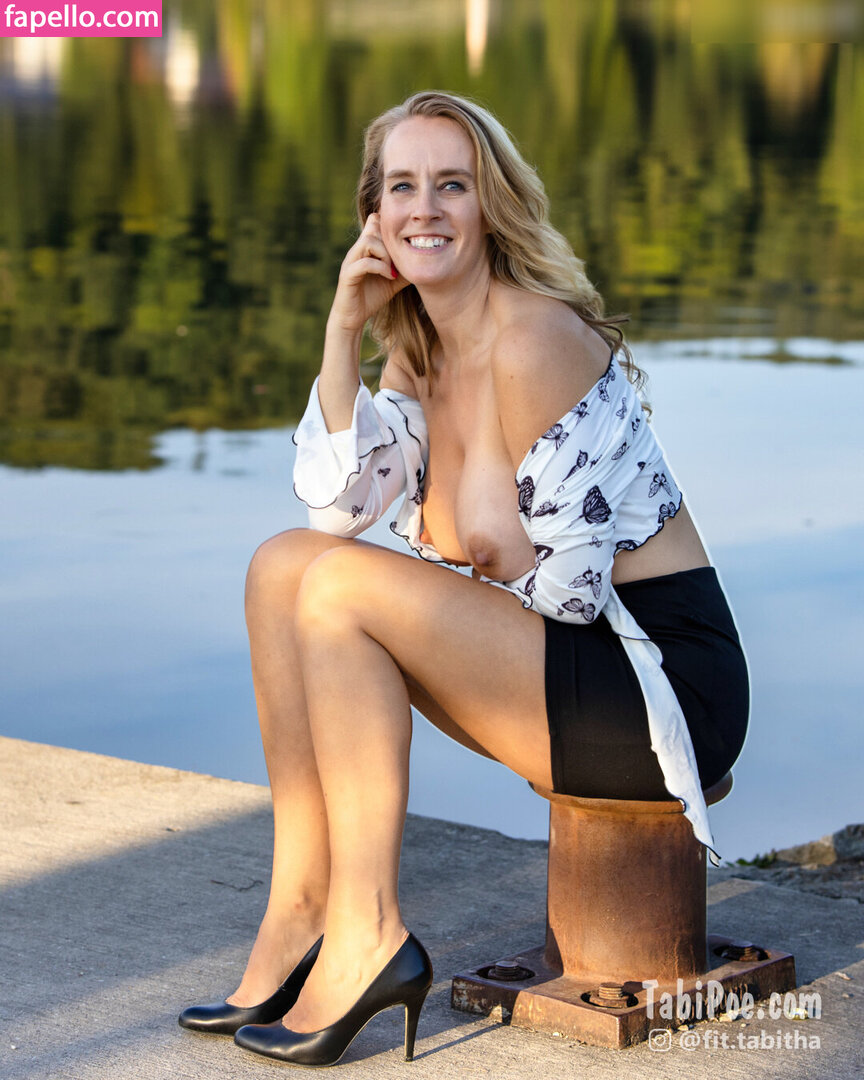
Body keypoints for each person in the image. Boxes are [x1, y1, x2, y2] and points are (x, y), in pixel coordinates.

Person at [178, 90, 749, 1066]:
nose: (425, 208)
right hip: (562, 670)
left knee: (340, 592)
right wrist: (342, 332)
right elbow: (335, 514)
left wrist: (429, 593)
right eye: (402, 186)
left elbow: (574, 596)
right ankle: (303, 909)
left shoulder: (535, 340)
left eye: (452, 184)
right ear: (374, 214)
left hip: (656, 683)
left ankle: (368, 932)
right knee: (283, 569)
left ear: (492, 207)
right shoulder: (419, 353)